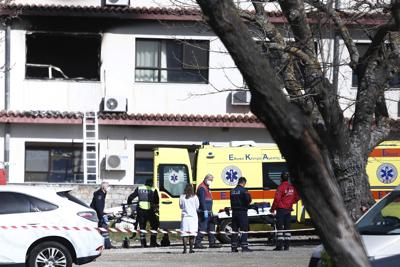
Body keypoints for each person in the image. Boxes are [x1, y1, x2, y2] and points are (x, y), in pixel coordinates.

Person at [270, 171, 300, 251]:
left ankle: (280, 246)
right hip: (288, 210)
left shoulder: (280, 187)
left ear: (281, 178)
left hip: (281, 210)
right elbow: (297, 197)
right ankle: (287, 246)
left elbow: (277, 199)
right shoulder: (292, 187)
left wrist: (272, 209)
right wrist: (290, 202)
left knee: (280, 228)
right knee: (287, 228)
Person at [127, 179, 160, 247]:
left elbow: (131, 196)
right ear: (151, 183)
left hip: (141, 210)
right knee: (155, 225)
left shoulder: (139, 188)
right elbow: (157, 201)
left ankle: (143, 243)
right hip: (150, 210)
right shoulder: (153, 189)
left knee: (142, 226)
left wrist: (129, 203)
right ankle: (153, 242)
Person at [194, 174, 221, 249]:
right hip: (203, 211)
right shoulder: (202, 188)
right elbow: (202, 200)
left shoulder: (207, 187)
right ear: (205, 179)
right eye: (210, 180)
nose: (210, 181)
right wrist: (205, 210)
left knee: (211, 227)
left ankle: (212, 243)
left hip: (209, 211)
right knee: (203, 227)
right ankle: (197, 243)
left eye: (212, 180)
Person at [230, 177, 252, 252]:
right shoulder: (244, 191)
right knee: (244, 229)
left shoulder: (232, 191)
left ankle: (233, 247)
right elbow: (248, 200)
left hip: (234, 212)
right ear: (244, 183)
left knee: (234, 230)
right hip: (242, 212)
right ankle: (244, 247)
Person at [90, 181, 114, 249]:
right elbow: (98, 207)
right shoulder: (99, 195)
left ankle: (106, 244)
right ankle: (106, 245)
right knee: (103, 228)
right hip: (96, 215)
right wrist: (103, 214)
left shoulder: (102, 193)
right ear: (104, 187)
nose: (109, 188)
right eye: (108, 186)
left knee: (103, 229)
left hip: (98, 214)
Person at [179, 184, 199, 254]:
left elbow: (181, 206)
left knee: (184, 234)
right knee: (192, 234)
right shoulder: (195, 197)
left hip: (185, 218)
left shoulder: (182, 197)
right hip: (193, 218)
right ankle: (191, 249)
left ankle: (184, 249)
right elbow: (197, 207)